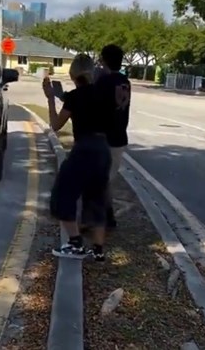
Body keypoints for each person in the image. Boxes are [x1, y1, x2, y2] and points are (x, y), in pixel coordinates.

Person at [43, 53, 112, 260]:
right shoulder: (103, 95)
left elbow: (55, 125)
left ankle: (75, 244)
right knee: (97, 199)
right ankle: (98, 251)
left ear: (73, 75)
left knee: (62, 194)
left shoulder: (74, 97)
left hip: (84, 149)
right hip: (103, 149)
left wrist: (50, 99)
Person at [94, 43, 131, 228]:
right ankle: (107, 214)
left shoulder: (103, 82)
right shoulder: (125, 81)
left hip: (104, 136)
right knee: (109, 179)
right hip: (119, 136)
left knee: (101, 180)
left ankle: (104, 217)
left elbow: (95, 106)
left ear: (104, 60)